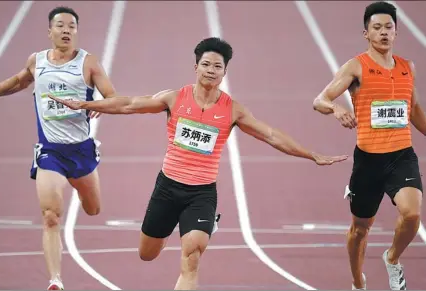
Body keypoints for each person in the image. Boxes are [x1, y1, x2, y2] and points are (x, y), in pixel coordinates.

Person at [48, 36, 348, 290]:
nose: (211, 70)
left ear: (224, 72)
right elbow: (128, 104)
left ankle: (200, 228)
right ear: (196, 67)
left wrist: (311, 155)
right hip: (167, 188)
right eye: (206, 64)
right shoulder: (174, 99)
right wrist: (86, 104)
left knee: (191, 255)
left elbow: (271, 135)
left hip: (202, 193)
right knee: (147, 253)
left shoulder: (233, 111)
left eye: (218, 66)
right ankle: (176, 229)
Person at [0, 6, 118, 290]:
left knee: (94, 209)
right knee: (50, 217)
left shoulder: (89, 63)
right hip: (50, 152)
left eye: (72, 26)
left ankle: (81, 182)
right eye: (61, 25)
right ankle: (55, 280)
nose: (67, 30)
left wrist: (98, 105)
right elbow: (18, 82)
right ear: (50, 32)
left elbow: (112, 96)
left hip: (81, 151)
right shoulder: (38, 61)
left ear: (76, 31)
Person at [312, 1, 425, 290]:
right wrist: (337, 110)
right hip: (368, 160)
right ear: (367, 33)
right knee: (359, 231)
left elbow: (412, 111)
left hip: (401, 156)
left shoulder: (407, 67)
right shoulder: (356, 67)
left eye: (389, 27)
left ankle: (392, 257)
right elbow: (320, 100)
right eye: (377, 28)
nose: (384, 33)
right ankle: (357, 282)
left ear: (397, 32)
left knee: (412, 214)